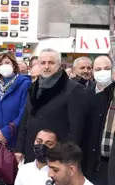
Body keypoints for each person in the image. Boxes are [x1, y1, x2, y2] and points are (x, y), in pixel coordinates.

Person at [15, 48, 86, 163]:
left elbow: (76, 128)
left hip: (57, 153)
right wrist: (19, 148)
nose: (46, 66)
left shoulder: (73, 89)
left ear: (59, 65)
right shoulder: (33, 87)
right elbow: (25, 119)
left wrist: (68, 156)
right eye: (43, 63)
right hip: (32, 149)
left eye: (51, 62)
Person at [0, 52, 31, 148]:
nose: (3, 66)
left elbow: (24, 113)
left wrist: (5, 132)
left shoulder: (25, 85)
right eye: (0, 64)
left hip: (16, 141)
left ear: (14, 65)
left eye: (7, 62)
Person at [82, 56, 114, 184]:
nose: (103, 72)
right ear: (93, 72)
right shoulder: (84, 94)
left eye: (107, 68)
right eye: (98, 69)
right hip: (89, 160)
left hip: (109, 160)